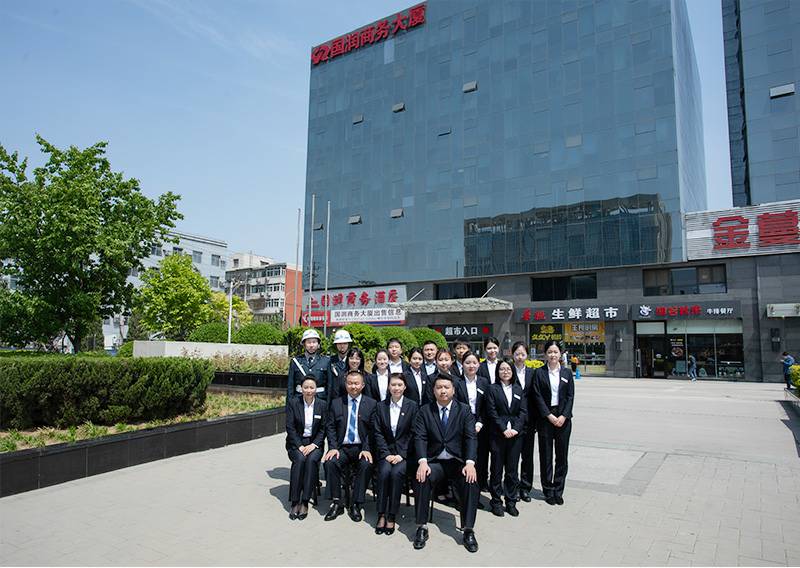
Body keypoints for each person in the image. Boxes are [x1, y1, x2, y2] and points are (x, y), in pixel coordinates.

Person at [412, 373, 480, 553]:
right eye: (439, 387)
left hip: (457, 461)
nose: (443, 391)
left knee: (470, 481)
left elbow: (470, 438)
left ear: (453, 390)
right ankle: (421, 526)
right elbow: (420, 437)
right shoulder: (425, 411)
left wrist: (470, 463)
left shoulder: (464, 410)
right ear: (433, 391)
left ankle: (468, 529)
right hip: (434, 461)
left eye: (446, 387)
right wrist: (422, 462)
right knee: (421, 478)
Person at [322, 370, 377, 522]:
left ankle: (356, 503)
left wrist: (367, 448)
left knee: (366, 465)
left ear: (363, 385)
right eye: (350, 383)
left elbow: (373, 430)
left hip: (361, 448)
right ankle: (337, 502)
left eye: (356, 383)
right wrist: (333, 447)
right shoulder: (336, 403)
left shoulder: (371, 404)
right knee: (330, 462)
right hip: (342, 448)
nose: (353, 386)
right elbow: (330, 427)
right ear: (345, 385)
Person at [373, 373, 419, 536]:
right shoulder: (381, 406)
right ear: (388, 387)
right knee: (384, 472)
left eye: (399, 385)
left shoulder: (412, 406)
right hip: (386, 453)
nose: (396, 388)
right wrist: (386, 453)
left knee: (396, 473)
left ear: (405, 387)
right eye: (393, 385)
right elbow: (377, 432)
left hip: (404, 454)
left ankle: (392, 514)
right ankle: (381, 513)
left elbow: (414, 433)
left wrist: (402, 454)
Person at [530, 341, 575, 506]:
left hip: (563, 419)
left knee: (562, 456)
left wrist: (564, 415)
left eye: (555, 352)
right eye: (550, 352)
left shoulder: (567, 373)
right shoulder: (539, 373)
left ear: (560, 354)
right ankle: (548, 490)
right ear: (545, 354)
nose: (553, 355)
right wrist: (548, 415)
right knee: (546, 455)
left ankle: (558, 490)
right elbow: (537, 396)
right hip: (545, 419)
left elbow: (570, 396)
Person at [485, 358, 527, 517]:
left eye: (508, 369)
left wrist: (516, 429)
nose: (505, 372)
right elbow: (492, 412)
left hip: (516, 435)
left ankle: (511, 501)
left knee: (512, 470)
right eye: (502, 369)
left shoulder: (518, 388)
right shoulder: (492, 389)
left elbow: (523, 411)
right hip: (498, 434)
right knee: (496, 469)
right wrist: (503, 429)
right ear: (497, 372)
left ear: (513, 371)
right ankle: (496, 501)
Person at [285, 377, 326, 520]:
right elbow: (290, 428)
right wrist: (300, 446)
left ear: (316, 389)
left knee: (311, 460)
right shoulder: (293, 403)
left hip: (314, 443)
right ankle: (295, 501)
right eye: (306, 387)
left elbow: (323, 429)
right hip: (296, 443)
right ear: (301, 389)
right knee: (300, 460)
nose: (309, 390)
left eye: (311, 387)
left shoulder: (322, 405)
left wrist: (313, 445)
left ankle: (305, 501)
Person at [455, 351, 491, 494]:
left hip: (480, 424)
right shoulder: (456, 382)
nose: (471, 366)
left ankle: (480, 485)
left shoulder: (484, 382)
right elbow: (455, 406)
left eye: (474, 363)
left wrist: (480, 423)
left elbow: (487, 405)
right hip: (461, 424)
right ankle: (462, 491)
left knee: (481, 456)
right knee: (464, 457)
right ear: (462, 364)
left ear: (479, 364)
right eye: (468, 362)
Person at [511, 341, 536, 502]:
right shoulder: (507, 370)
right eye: (517, 354)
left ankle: (525, 487)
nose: (520, 357)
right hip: (513, 419)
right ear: (512, 354)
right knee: (512, 457)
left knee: (527, 456)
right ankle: (512, 487)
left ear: (527, 355)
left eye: (522, 354)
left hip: (529, 420)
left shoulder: (532, 373)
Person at [287, 329, 330, 403]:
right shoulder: (295, 361)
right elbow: (290, 386)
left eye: (314, 342)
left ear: (318, 344)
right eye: (309, 342)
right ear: (304, 344)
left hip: (320, 401)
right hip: (299, 401)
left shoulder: (326, 361)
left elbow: (329, 386)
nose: (311, 345)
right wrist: (290, 404)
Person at [327, 330, 353, 399]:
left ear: (348, 344)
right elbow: (329, 384)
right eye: (339, 343)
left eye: (345, 343)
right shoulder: (330, 361)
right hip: (335, 399)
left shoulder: (353, 361)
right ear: (336, 345)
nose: (342, 346)